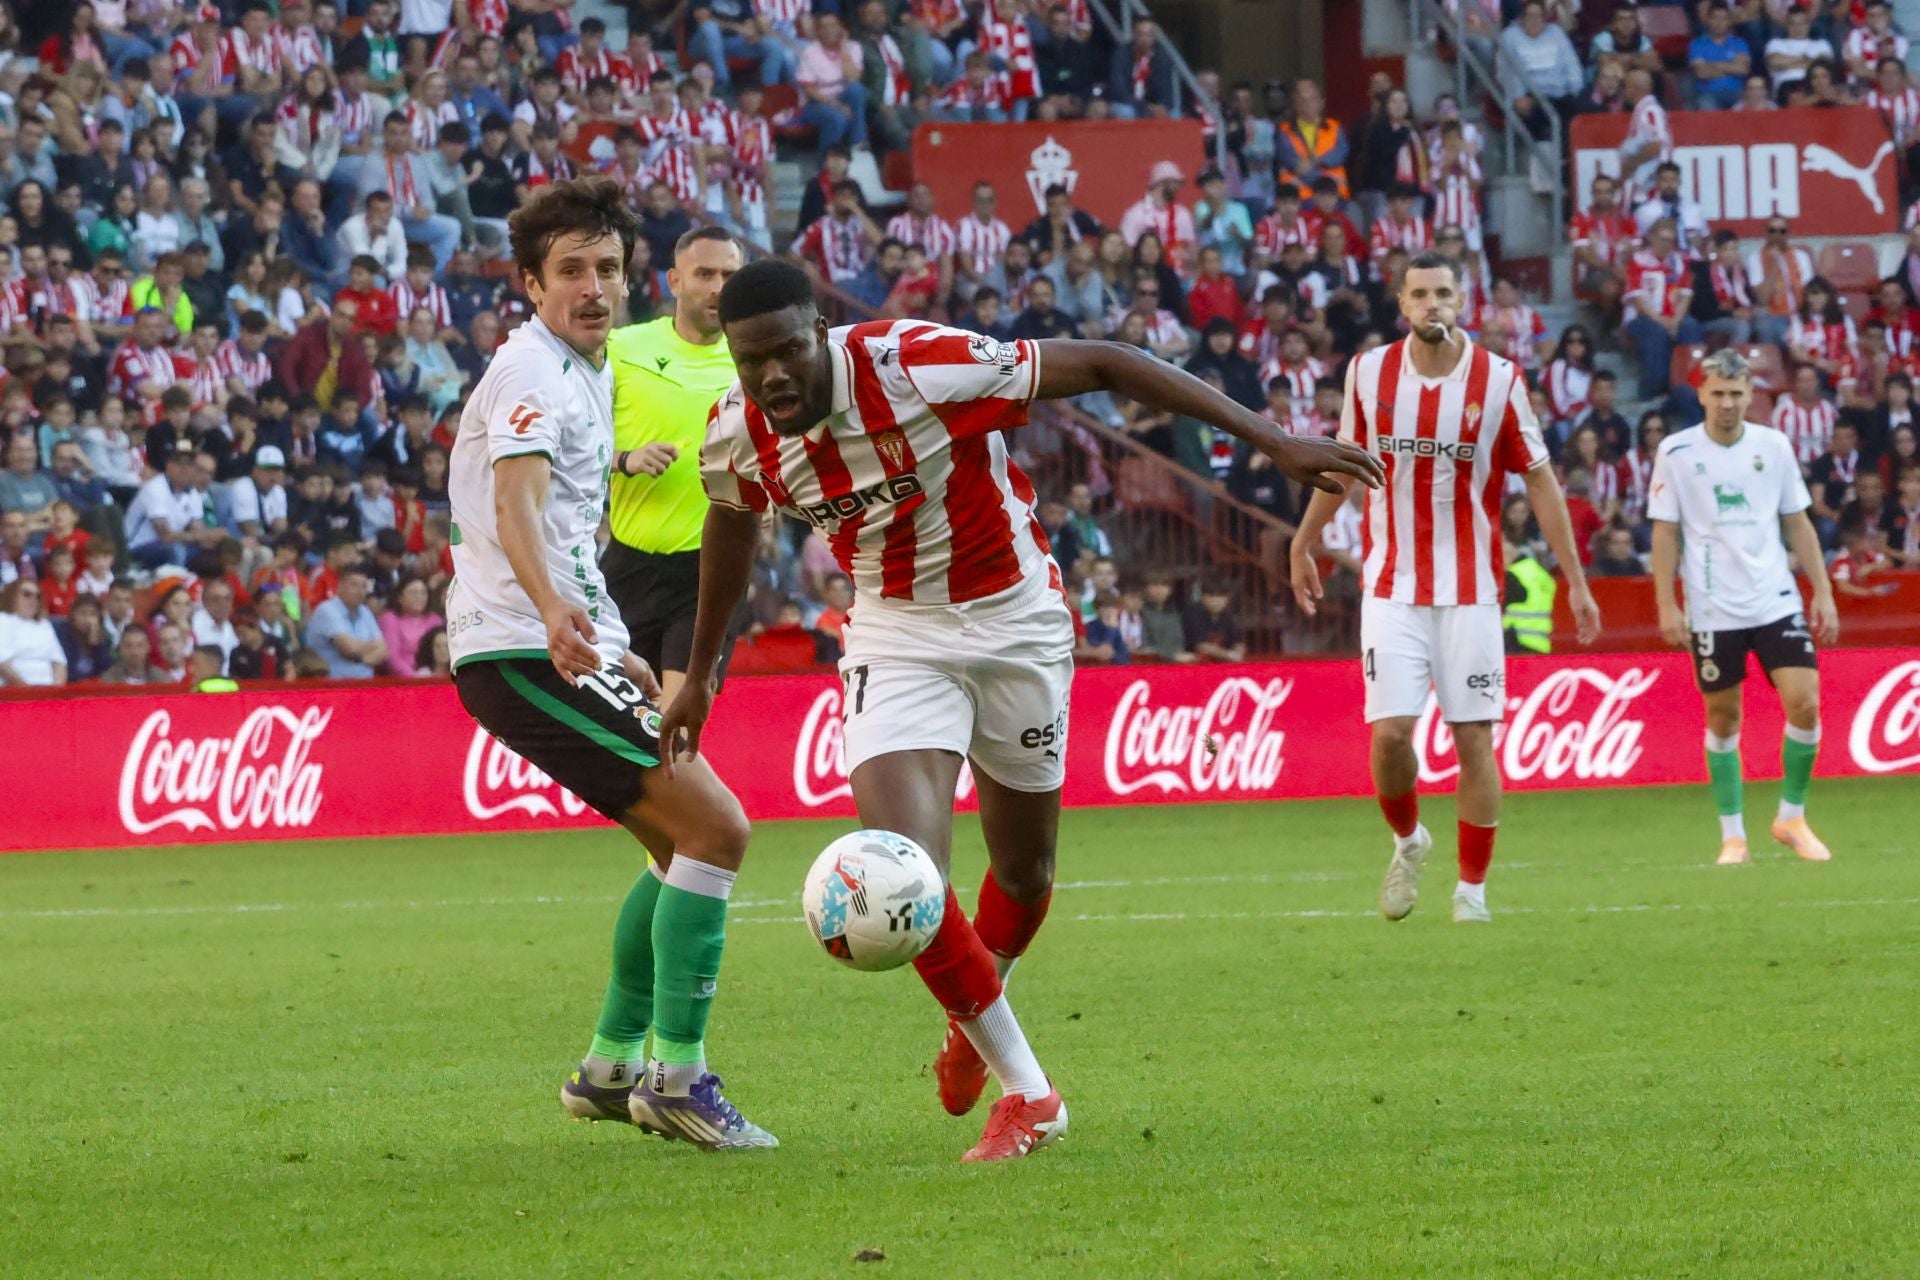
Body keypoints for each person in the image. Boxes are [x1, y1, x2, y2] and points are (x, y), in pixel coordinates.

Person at [662, 257, 1381, 1160]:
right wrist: (701, 673)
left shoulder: (917, 365)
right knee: (906, 872)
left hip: (1017, 622)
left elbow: (1110, 361)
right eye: (750, 361)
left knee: (1028, 873)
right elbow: (732, 523)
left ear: (820, 334)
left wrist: (1273, 440)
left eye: (787, 354)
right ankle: (1030, 1092)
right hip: (895, 634)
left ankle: (974, 1019)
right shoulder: (736, 432)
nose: (770, 377)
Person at [443, 176, 772, 1151]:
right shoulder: (532, 373)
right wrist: (554, 613)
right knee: (717, 827)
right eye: (571, 270)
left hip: (565, 641)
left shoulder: (582, 368)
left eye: (608, 268)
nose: (593, 287)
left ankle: (610, 1066)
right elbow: (517, 505)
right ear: (530, 283)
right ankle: (677, 1080)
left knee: (679, 849)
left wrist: (612, 642)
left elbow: (566, 531)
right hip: (521, 646)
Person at [1290, 250, 1602, 925]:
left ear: (1462, 302)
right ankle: (1408, 841)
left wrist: (1575, 580)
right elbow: (1343, 466)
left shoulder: (1499, 380)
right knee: (1391, 736)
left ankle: (1471, 893)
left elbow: (1541, 480)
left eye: (1444, 293)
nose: (1432, 304)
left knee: (1473, 738)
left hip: (1472, 590)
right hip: (1391, 585)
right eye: (1420, 294)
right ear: (1402, 304)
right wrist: (1303, 540)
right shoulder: (1368, 373)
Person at [1647, 347, 1840, 866]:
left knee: (1805, 702)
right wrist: (1666, 603)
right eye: (1718, 393)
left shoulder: (1773, 446)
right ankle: (1733, 836)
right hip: (1713, 606)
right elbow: (1665, 531)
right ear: (1701, 394)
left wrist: (1822, 590)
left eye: (1736, 393)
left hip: (1775, 597)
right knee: (1724, 717)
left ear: (1751, 394)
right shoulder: (1676, 451)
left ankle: (1791, 817)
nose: (1727, 403)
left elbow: (1797, 520)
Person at [604, 226, 747, 704]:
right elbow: (569, 448)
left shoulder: (752, 362)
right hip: (629, 564)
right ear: (674, 280)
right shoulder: (623, 349)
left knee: (678, 721)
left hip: (709, 568)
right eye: (705, 274)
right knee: (624, 723)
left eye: (729, 275)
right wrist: (625, 460)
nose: (718, 287)